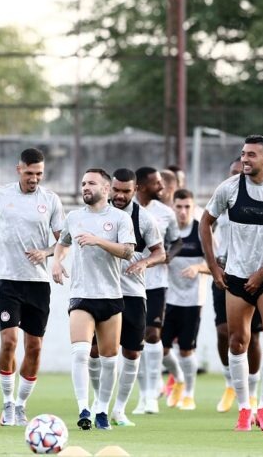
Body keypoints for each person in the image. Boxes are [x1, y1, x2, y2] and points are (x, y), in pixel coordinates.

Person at [200, 135, 263, 432]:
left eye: (252, 155)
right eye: (243, 154)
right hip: (236, 274)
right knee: (238, 341)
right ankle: (245, 408)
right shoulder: (229, 188)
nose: (245, 159)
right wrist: (213, 267)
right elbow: (205, 223)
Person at [0, 148, 65, 426]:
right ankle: (8, 403)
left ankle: (22, 405)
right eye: (29, 173)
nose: (34, 178)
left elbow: (63, 241)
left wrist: (46, 253)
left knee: (34, 347)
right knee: (9, 341)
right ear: (18, 169)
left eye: (39, 174)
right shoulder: (0, 195)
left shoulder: (51, 200)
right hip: (7, 280)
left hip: (38, 283)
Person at [51, 168, 136, 431]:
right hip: (81, 295)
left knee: (110, 360)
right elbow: (63, 242)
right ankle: (83, 409)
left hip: (110, 296)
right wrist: (56, 261)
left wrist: (98, 241)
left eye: (91, 183)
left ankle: (102, 410)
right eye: (83, 183)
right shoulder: (74, 217)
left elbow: (128, 252)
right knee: (80, 353)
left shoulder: (120, 218)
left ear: (106, 189)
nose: (85, 187)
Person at [87, 168, 165, 427]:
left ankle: (119, 410)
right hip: (101, 291)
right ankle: (99, 403)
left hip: (132, 293)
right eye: (116, 190)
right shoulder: (95, 213)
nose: (120, 196)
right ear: (108, 189)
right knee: (95, 351)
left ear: (136, 190)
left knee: (132, 352)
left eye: (126, 191)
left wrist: (145, 263)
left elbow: (160, 252)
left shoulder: (144, 219)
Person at [212, 158, 263, 414]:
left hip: (252, 273)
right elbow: (204, 227)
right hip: (225, 272)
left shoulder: (261, 199)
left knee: (252, 336)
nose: (237, 176)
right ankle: (230, 383)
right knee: (224, 332)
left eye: (240, 171)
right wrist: (212, 263)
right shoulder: (221, 199)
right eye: (233, 172)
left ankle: (252, 392)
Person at [132, 167, 182, 414]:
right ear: (141, 186)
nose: (162, 187)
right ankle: (142, 395)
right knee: (134, 340)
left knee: (152, 335)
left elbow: (177, 240)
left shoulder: (165, 213)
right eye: (157, 183)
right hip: (129, 284)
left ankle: (152, 393)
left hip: (156, 284)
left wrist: (169, 255)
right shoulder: (124, 210)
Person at [161, 189, 209, 411]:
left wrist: (198, 267)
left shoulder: (201, 231)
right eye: (178, 207)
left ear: (193, 207)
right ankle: (179, 378)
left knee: (186, 350)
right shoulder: (166, 231)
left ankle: (189, 394)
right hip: (168, 298)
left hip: (192, 301)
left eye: (187, 207)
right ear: (173, 207)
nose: (183, 211)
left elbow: (216, 265)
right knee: (160, 348)